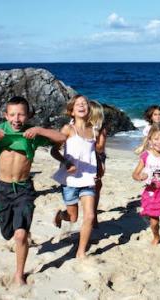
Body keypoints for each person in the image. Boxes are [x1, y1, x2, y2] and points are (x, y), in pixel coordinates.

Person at [0, 96, 66, 285]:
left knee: (20, 235)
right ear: (5, 115)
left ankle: (19, 274)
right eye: (12, 114)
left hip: (24, 189)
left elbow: (62, 137)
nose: (16, 119)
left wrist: (39, 130)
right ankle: (19, 232)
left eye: (21, 114)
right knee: (7, 233)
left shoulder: (32, 134)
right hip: (2, 189)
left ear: (27, 116)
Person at [51, 94, 98, 258]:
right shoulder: (67, 129)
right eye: (78, 103)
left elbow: (94, 154)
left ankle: (81, 251)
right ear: (72, 111)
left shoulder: (93, 130)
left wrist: (100, 169)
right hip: (70, 179)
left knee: (90, 215)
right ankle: (60, 215)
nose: (82, 105)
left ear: (89, 109)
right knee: (72, 217)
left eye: (85, 103)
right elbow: (53, 150)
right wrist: (66, 162)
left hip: (88, 178)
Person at [88, 100, 107, 228]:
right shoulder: (78, 127)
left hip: (97, 157)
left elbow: (100, 148)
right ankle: (91, 215)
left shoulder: (101, 129)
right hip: (85, 159)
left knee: (97, 185)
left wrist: (92, 138)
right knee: (89, 187)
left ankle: (93, 215)